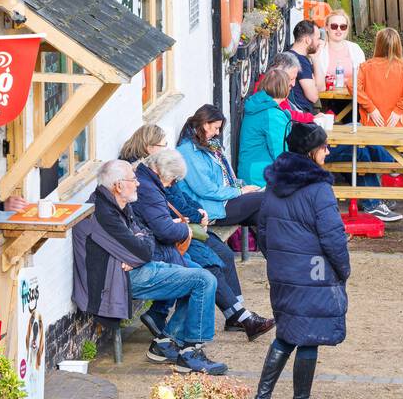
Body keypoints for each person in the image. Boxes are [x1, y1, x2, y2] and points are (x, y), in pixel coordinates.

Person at [75, 159, 227, 374]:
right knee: (203, 280)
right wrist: (137, 249)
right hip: (111, 282)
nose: (137, 183)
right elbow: (144, 250)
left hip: (129, 271)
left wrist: (135, 250)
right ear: (119, 185)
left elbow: (146, 239)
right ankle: (191, 353)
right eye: (133, 179)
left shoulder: (117, 204)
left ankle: (166, 343)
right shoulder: (103, 213)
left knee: (197, 275)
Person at [249, 122, 350, 399]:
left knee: (287, 333)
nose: (328, 150)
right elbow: (333, 236)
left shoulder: (274, 183)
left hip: (283, 270)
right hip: (313, 272)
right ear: (310, 151)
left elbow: (262, 227)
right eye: (324, 146)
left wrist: (277, 260)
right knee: (308, 337)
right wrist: (343, 269)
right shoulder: (319, 189)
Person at [134, 149, 274, 341]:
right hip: (169, 242)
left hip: (175, 237)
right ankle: (179, 337)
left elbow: (181, 201)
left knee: (222, 254)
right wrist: (191, 225)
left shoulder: (158, 179)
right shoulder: (149, 187)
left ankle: (236, 314)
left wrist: (198, 212)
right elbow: (166, 225)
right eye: (160, 143)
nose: (173, 184)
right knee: (206, 271)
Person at [353, 28, 403, 223]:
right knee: (386, 154)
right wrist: (399, 109)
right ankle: (400, 162)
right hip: (397, 126)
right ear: (399, 44)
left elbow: (352, 85)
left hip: (371, 125)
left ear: (378, 44)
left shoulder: (366, 67)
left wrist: (370, 107)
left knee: (369, 155)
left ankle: (381, 188)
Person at [176, 104, 264, 229]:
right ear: (205, 124)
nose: (217, 133)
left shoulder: (211, 144)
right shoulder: (188, 151)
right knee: (266, 199)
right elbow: (206, 189)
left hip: (223, 200)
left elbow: (225, 178)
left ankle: (278, 248)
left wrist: (243, 187)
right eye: (216, 128)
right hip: (210, 208)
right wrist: (239, 191)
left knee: (264, 215)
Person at [237, 68, 293, 187]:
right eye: (289, 85)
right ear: (284, 88)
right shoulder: (272, 115)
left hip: (250, 170)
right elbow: (280, 152)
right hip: (261, 177)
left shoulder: (258, 105)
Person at [312, 10, 366, 95]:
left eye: (343, 26)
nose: (338, 29)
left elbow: (363, 78)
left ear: (347, 29)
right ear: (326, 27)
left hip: (354, 99)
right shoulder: (319, 50)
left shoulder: (355, 49)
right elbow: (316, 81)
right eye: (334, 26)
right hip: (326, 100)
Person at [287, 19, 322, 113]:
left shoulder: (289, 54)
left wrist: (315, 58)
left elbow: (321, 87)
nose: (320, 43)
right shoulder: (300, 61)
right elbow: (313, 97)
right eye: (318, 38)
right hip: (301, 116)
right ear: (308, 40)